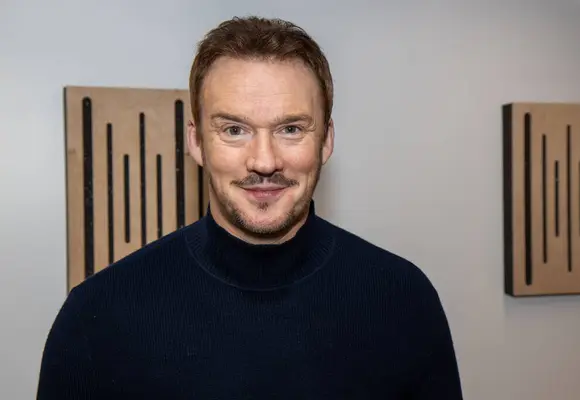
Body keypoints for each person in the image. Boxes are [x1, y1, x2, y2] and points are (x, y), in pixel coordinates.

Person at [37, 16, 463, 399]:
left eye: (291, 128)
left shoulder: (401, 300)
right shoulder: (98, 318)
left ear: (326, 140)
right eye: (234, 129)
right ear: (196, 141)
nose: (264, 160)